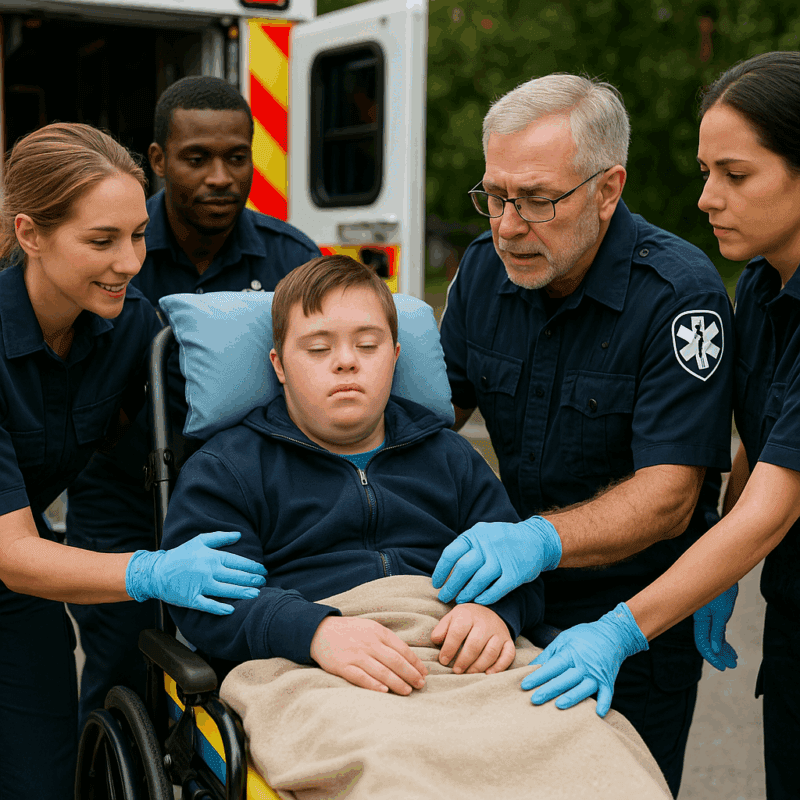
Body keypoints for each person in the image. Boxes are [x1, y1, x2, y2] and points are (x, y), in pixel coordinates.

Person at [431, 73, 734, 797]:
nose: (507, 224)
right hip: (499, 614)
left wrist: (535, 539)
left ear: (607, 190)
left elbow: (668, 495)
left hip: (628, 631)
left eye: (536, 200)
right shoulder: (482, 272)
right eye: (494, 195)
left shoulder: (679, 298)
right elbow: (429, 426)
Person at [519, 51, 800, 800]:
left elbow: (778, 504)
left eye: (735, 175)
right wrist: (721, 556)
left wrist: (622, 628)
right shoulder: (767, 290)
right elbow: (762, 446)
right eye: (707, 171)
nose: (707, 197)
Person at [0, 122, 268, 799]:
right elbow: (11, 551)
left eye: (137, 235)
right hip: (14, 559)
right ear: (30, 234)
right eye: (101, 241)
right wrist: (151, 571)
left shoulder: (128, 328)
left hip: (14, 599)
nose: (130, 261)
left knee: (42, 779)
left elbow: (210, 435)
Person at [66, 75, 321, 729]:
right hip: (123, 501)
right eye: (196, 158)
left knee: (241, 685)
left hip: (245, 507)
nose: (220, 177)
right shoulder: (114, 251)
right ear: (157, 159)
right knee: (122, 679)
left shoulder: (292, 260)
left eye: (236, 157)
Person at [162, 255, 544, 688]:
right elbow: (207, 602)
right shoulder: (226, 470)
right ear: (279, 366)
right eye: (319, 348)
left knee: (584, 732)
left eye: (367, 345)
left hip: (460, 652)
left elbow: (521, 565)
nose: (346, 362)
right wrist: (314, 632)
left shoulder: (452, 457)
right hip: (307, 665)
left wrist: (497, 611)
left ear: (395, 357)